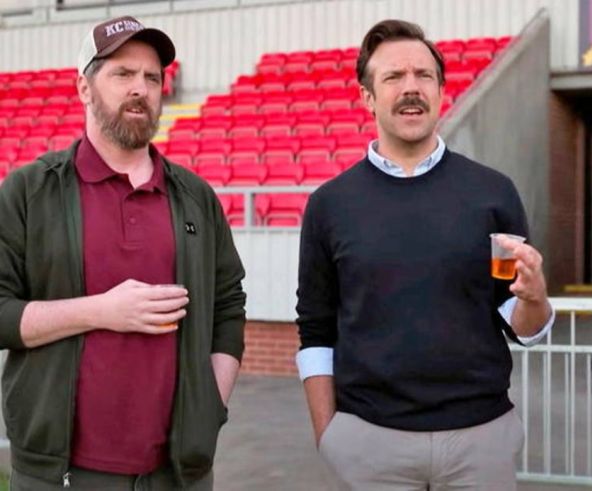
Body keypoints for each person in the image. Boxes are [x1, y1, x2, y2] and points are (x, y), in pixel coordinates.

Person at [296, 19, 554, 491]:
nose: (410, 88)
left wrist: (536, 300)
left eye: (423, 76)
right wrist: (328, 433)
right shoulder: (330, 204)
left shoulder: (493, 193)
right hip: (369, 441)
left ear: (441, 90)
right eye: (393, 77)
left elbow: (519, 319)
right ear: (367, 97)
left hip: (480, 439)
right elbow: (315, 327)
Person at [0, 15, 246, 489]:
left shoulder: (194, 196)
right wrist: (102, 311)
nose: (141, 88)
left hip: (177, 474)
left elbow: (228, 305)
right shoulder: (29, 192)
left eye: (152, 77)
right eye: (122, 74)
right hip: (59, 474)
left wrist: (210, 404)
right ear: (84, 88)